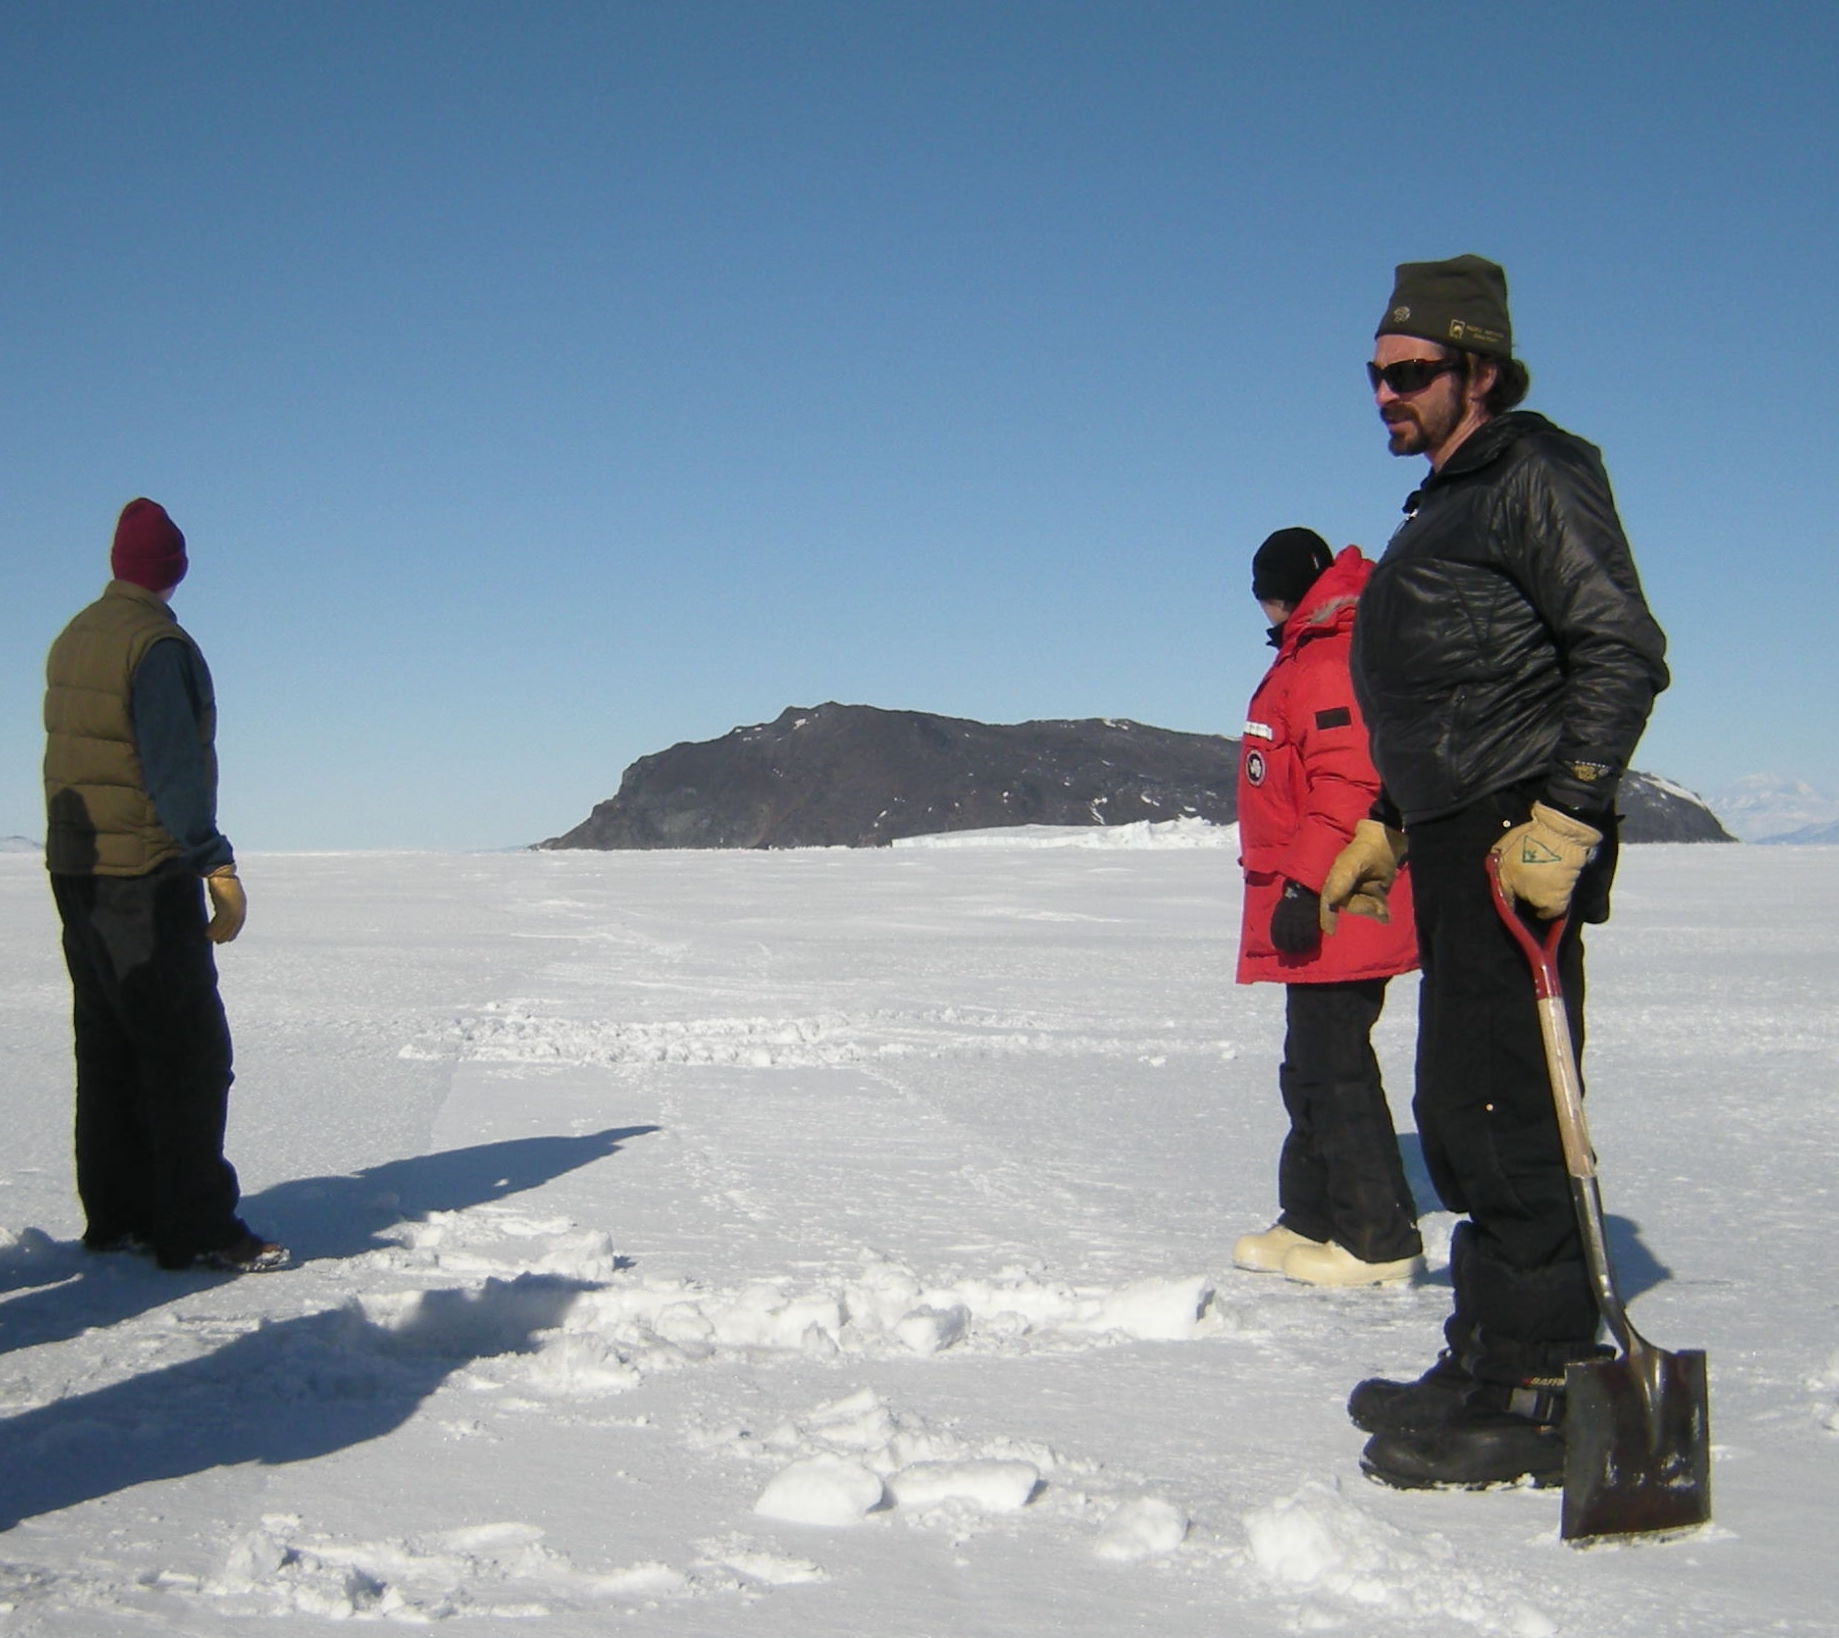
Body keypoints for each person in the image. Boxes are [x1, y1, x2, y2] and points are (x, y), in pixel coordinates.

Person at [1319, 256, 1669, 1488]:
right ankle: (1486, 1349)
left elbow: (1620, 649)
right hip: (1459, 833)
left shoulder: (1533, 471)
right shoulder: (1447, 501)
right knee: (1463, 1102)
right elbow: (1444, 689)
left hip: (1517, 842)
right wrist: (1386, 818)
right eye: (1373, 375)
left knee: (1508, 1106)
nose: (1383, 395)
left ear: (1479, 369)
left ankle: (1535, 1379)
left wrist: (1569, 817)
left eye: (1408, 373)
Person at [43, 498, 287, 1274]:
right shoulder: (156, 644)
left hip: (76, 870)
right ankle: (195, 1227)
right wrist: (214, 862)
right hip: (142, 875)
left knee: (109, 1041)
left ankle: (118, 1215)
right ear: (173, 568)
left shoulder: (76, 635)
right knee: (187, 1053)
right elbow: (173, 768)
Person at [1230, 527, 1423, 1288]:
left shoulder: (1329, 659)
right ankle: (1310, 1216)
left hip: (1342, 898)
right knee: (1307, 1062)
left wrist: (1304, 887)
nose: (1265, 610)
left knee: (1334, 1063)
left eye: (1269, 594)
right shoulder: (1307, 651)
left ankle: (1376, 1239)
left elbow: (1348, 787)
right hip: (1310, 897)